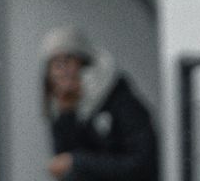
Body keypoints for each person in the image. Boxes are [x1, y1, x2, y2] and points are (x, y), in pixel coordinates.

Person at [41, 25, 158, 181]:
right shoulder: (63, 107)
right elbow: (65, 167)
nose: (61, 71)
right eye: (54, 64)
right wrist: (66, 115)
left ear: (85, 64)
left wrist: (76, 162)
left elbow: (142, 164)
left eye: (67, 60)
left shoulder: (121, 101)